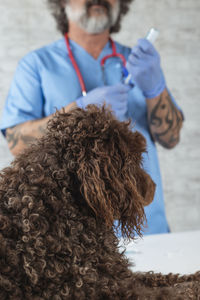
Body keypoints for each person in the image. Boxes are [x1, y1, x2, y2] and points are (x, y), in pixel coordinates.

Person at [0, 0, 184, 235]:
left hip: (147, 225)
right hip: (75, 232)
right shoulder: (37, 65)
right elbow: (16, 143)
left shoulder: (139, 62)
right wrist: (78, 109)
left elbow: (172, 138)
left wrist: (155, 87)